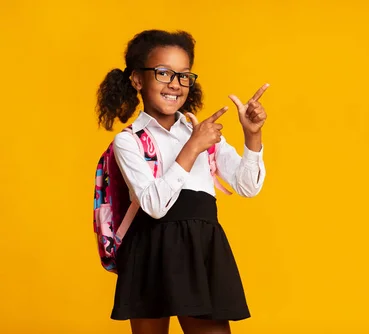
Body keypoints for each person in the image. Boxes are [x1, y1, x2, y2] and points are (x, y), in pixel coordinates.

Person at [95, 29, 268, 334]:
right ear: (137, 79)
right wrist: (192, 148)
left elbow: (248, 186)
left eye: (184, 75)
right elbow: (154, 206)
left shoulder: (201, 132)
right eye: (163, 73)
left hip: (201, 249)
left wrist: (252, 135)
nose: (175, 84)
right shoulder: (130, 141)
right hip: (149, 251)